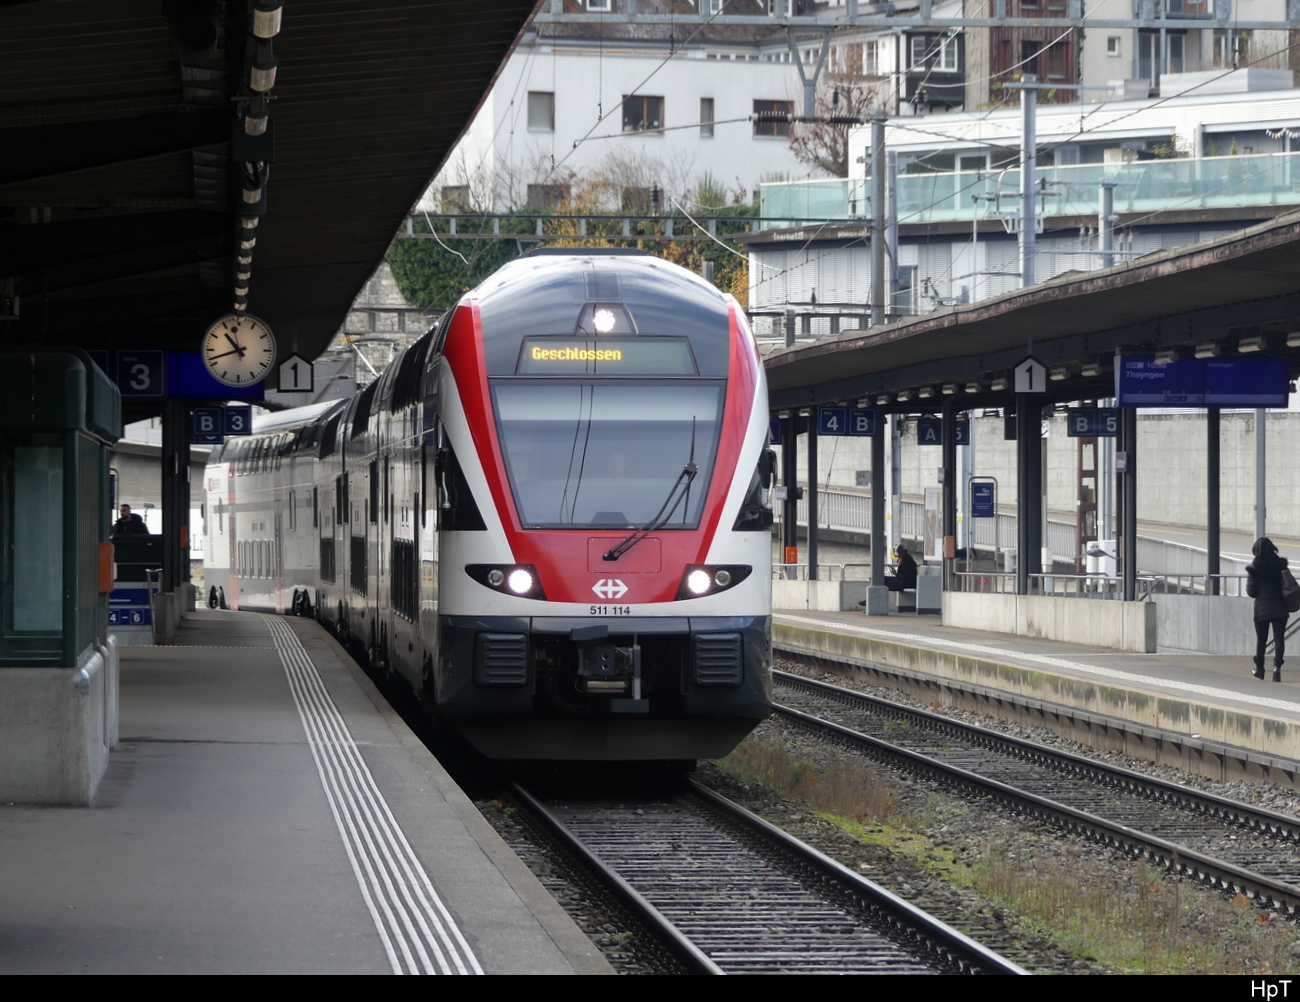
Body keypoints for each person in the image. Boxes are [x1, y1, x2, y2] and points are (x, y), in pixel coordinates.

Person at [1246, 536, 1289, 682]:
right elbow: (1288, 583)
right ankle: (1277, 669)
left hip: (1262, 610)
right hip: (1280, 608)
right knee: (1279, 639)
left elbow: (1251, 592)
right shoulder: (1281, 565)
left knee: (1261, 640)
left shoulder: (1254, 568)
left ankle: (1260, 669)